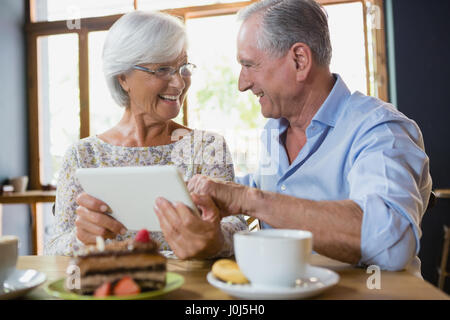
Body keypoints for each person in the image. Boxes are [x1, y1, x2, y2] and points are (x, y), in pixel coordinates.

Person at [162, 0, 432, 275]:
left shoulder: (380, 130)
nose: (242, 84)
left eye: (249, 64)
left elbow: (391, 243)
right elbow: (262, 193)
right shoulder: (272, 132)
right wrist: (197, 206)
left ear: (299, 60)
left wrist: (248, 198)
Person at [44, 11, 247, 259]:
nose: (179, 84)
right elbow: (52, 251)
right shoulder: (83, 156)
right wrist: (79, 239)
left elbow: (238, 230)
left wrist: (214, 236)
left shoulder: (207, 147)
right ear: (123, 78)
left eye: (183, 67)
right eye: (162, 69)